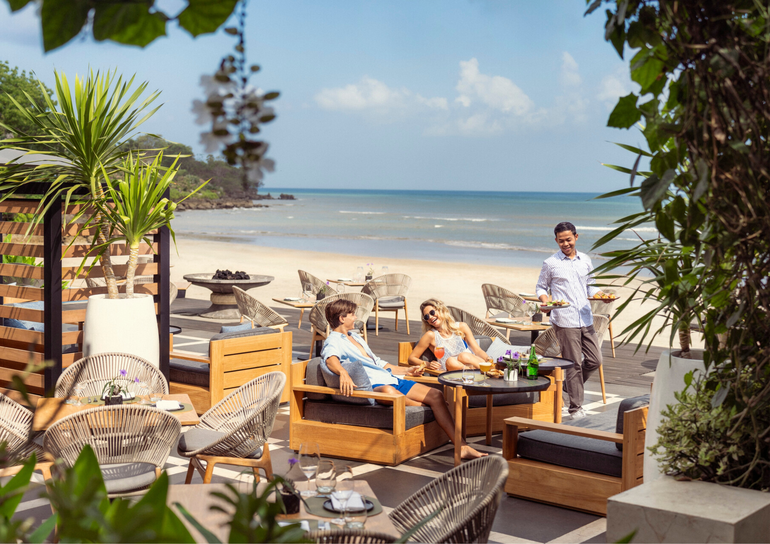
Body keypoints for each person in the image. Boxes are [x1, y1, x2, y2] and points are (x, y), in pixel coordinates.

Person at [321, 298, 486, 460]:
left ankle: (462, 446)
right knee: (389, 391)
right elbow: (330, 359)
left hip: (391, 378)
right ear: (342, 318)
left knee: (436, 395)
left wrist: (407, 370)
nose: (355, 317)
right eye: (352, 314)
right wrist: (343, 372)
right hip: (375, 384)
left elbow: (379, 363)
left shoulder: (355, 337)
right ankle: (429, 407)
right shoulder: (333, 340)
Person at [536, 221, 605, 420]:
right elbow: (541, 287)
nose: (565, 244)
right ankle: (576, 408)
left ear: (576, 237)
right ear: (556, 241)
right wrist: (545, 301)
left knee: (595, 360)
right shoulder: (551, 263)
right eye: (561, 241)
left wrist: (601, 294)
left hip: (585, 317)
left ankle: (568, 385)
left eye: (568, 239)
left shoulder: (585, 260)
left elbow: (591, 285)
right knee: (574, 364)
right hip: (564, 319)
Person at [408, 298, 490, 372]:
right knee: (451, 361)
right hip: (451, 369)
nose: (430, 317)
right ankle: (474, 373)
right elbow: (411, 358)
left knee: (463, 356)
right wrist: (428, 364)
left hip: (471, 362)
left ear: (441, 310)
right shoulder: (431, 335)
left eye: (432, 312)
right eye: (426, 317)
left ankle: (488, 370)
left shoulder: (461, 327)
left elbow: (477, 350)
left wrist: (488, 359)